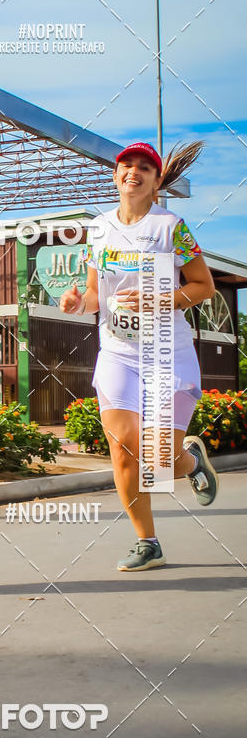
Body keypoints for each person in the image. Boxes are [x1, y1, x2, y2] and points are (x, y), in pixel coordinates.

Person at [59, 141, 218, 571]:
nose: (133, 171)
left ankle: (189, 461)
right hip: (117, 352)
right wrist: (77, 303)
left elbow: (204, 287)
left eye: (144, 167)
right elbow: (95, 295)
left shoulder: (172, 227)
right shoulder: (99, 228)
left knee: (159, 454)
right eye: (126, 165)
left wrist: (159, 298)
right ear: (115, 176)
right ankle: (147, 541)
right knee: (124, 449)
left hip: (169, 353)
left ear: (156, 181)